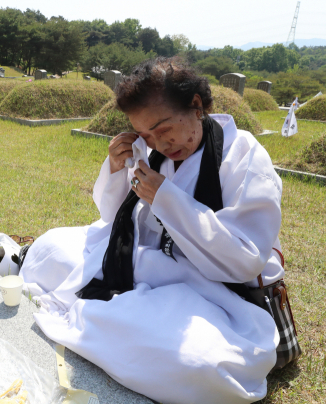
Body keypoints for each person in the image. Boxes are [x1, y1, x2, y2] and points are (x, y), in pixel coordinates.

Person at [19, 57, 284, 404]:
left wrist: (166, 199)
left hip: (211, 290)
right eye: (145, 134)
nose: (159, 143)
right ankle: (114, 314)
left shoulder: (243, 156)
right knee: (48, 248)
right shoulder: (151, 151)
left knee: (200, 363)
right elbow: (114, 218)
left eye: (162, 129)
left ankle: (112, 316)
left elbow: (246, 258)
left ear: (195, 106)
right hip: (148, 264)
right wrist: (116, 169)